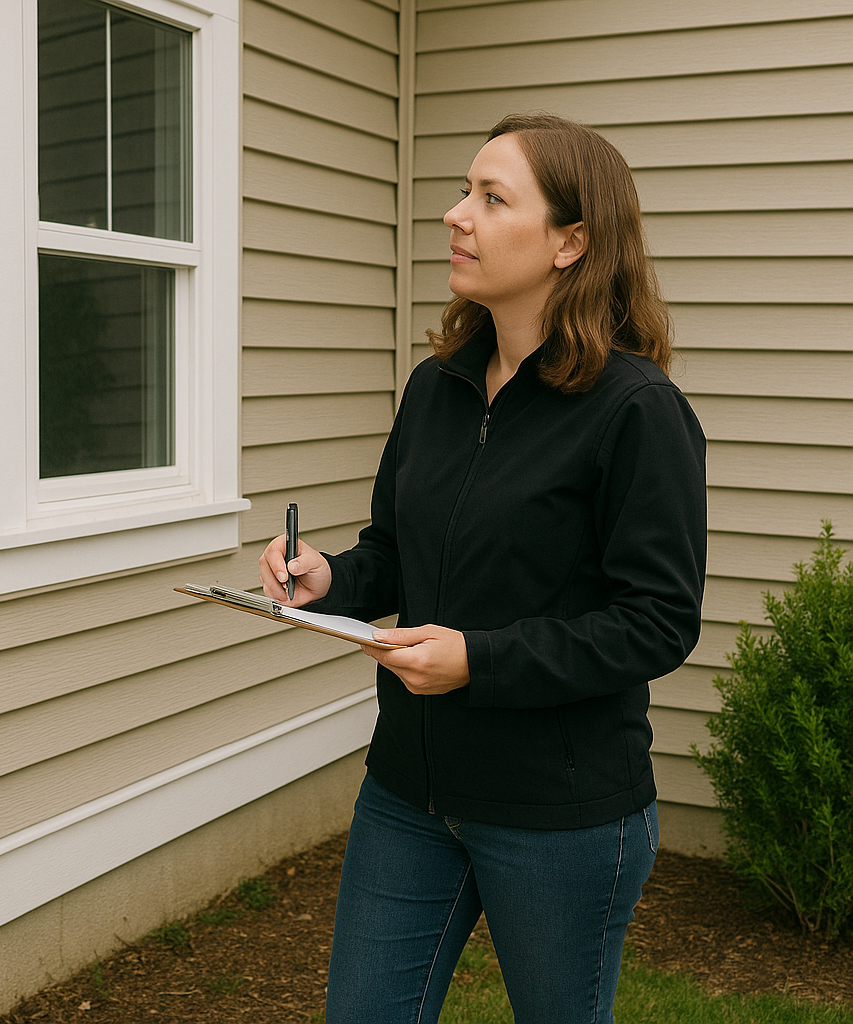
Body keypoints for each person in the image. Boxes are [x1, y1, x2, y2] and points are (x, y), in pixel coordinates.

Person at [258, 113, 707, 1024]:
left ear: (571, 242)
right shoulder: (438, 387)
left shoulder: (636, 411)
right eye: (464, 191)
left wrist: (479, 661)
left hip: (561, 817)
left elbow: (658, 620)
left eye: (492, 198)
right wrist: (332, 577)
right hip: (408, 794)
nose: (457, 215)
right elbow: (393, 552)